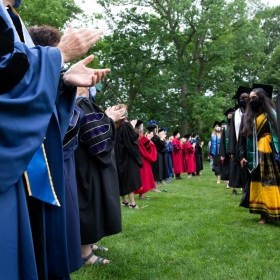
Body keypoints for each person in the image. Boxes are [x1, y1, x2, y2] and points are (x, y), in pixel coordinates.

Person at [0, 1, 109, 279]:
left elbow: (19, 72)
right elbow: (6, 77)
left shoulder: (13, 18)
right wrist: (58, 55)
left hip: (27, 169)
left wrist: (61, 80)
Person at [75, 88, 124, 264]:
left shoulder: (77, 105)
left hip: (85, 163)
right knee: (88, 203)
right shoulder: (81, 103)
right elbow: (97, 140)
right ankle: (84, 253)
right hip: (86, 165)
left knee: (92, 203)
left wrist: (106, 116)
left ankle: (89, 243)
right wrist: (110, 118)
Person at [239, 85, 280, 224]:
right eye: (250, 99)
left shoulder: (272, 114)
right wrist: (243, 155)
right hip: (255, 154)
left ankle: (274, 210)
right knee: (258, 184)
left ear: (262, 99)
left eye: (254, 98)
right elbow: (245, 138)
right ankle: (263, 215)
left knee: (270, 182)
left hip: (269, 152)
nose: (251, 101)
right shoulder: (250, 117)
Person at [115, 104, 143, 208]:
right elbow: (132, 139)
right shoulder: (126, 125)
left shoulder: (116, 125)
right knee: (129, 178)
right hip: (127, 155)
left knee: (122, 177)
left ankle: (124, 200)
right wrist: (132, 125)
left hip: (119, 155)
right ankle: (132, 203)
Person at [228, 86, 251, 195]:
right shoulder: (235, 115)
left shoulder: (253, 112)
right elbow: (232, 133)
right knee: (237, 168)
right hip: (238, 144)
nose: (244, 100)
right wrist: (232, 150)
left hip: (250, 144)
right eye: (242, 98)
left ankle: (248, 188)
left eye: (246, 98)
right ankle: (238, 188)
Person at [134, 120, 157, 199]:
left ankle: (141, 194)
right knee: (144, 176)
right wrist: (149, 139)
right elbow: (149, 145)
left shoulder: (134, 135)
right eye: (142, 126)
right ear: (139, 127)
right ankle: (141, 194)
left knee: (140, 176)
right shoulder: (141, 136)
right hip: (143, 159)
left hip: (137, 158)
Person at [220, 109, 235, 191]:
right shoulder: (225, 129)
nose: (230, 118)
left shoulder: (237, 126)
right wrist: (222, 154)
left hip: (235, 152)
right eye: (228, 117)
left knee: (234, 169)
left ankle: (235, 185)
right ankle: (228, 183)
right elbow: (222, 142)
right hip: (226, 152)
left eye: (231, 117)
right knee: (227, 169)